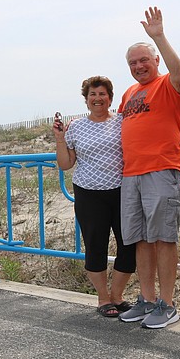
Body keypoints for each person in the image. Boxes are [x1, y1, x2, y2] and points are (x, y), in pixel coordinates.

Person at [117, 7, 180, 329]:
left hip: (162, 169)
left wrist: (158, 37)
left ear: (155, 61)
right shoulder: (129, 93)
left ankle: (168, 304)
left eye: (144, 60)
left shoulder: (169, 85)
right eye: (132, 63)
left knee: (163, 238)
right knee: (140, 240)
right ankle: (147, 299)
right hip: (131, 174)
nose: (138, 66)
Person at [53, 76, 137, 317]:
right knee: (95, 245)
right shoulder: (76, 127)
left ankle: (118, 296)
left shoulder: (123, 121)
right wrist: (59, 138)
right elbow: (66, 163)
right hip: (89, 194)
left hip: (123, 191)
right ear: (86, 99)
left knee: (129, 245)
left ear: (110, 97)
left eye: (102, 94)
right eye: (93, 95)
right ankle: (103, 298)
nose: (98, 99)